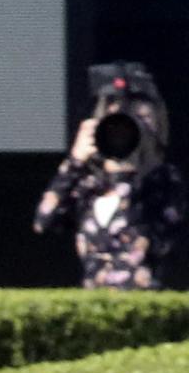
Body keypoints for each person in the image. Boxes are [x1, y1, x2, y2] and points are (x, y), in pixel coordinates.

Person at [34, 64, 189, 290]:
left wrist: (128, 169)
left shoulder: (165, 181)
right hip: (94, 310)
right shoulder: (89, 183)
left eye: (139, 117)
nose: (123, 129)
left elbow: (161, 243)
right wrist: (75, 162)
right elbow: (43, 222)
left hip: (144, 309)